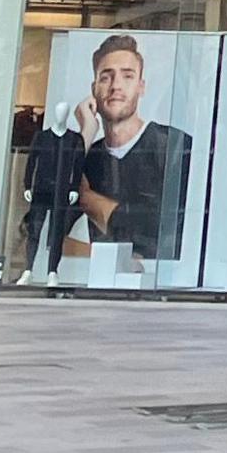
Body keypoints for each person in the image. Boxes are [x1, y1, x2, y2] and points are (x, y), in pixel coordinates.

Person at [19, 33, 193, 274]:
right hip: (96, 281)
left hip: (164, 283)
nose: (116, 86)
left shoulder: (174, 146)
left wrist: (89, 199)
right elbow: (40, 230)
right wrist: (86, 134)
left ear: (141, 86)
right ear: (94, 89)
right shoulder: (90, 156)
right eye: (106, 77)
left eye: (127, 76)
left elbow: (161, 232)